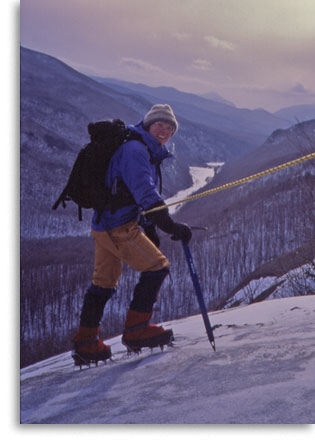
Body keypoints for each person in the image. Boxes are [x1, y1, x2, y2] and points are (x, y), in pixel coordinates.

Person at [72, 104, 192, 364]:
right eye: (160, 125)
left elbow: (128, 192)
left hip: (105, 224)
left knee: (103, 283)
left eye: (169, 128)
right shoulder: (137, 151)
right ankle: (137, 330)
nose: (164, 131)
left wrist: (149, 225)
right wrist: (171, 227)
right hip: (118, 226)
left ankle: (86, 342)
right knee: (157, 267)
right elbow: (147, 194)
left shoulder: (138, 146)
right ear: (148, 124)